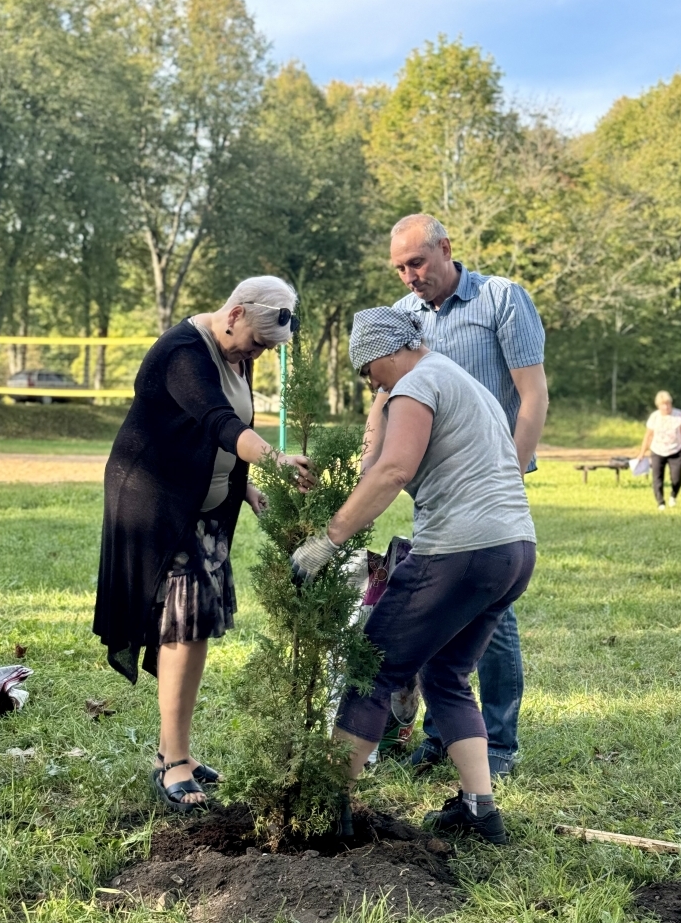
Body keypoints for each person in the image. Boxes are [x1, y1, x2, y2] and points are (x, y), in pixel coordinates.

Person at [290, 308, 537, 844]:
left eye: (367, 372)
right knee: (447, 675)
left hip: (459, 552)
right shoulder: (458, 378)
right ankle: (480, 810)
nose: (370, 385)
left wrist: (324, 544)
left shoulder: (416, 382)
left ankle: (330, 813)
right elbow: (380, 466)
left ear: (381, 353)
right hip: (515, 550)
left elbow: (393, 471)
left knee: (372, 667)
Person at [93, 277, 313, 812]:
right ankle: (171, 765)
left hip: (207, 506)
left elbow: (218, 433)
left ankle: (177, 752)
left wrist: (246, 485)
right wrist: (276, 461)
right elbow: (217, 420)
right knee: (183, 628)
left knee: (196, 629)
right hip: (157, 505)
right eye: (257, 343)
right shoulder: (182, 352)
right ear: (235, 313)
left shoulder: (239, 351)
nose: (257, 353)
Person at [363, 213, 548, 780]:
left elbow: (533, 395)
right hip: (433, 485)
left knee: (492, 617)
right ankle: (441, 738)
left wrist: (508, 479)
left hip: (491, 486)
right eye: (399, 268)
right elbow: (385, 397)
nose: (408, 277)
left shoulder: (500, 300)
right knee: (439, 608)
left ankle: (498, 745)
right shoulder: (402, 318)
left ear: (446, 249)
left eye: (416, 263)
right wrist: (365, 468)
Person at [635, 390, 681, 511]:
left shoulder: (678, 415)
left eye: (668, 404)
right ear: (658, 405)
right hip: (657, 450)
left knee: (676, 478)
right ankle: (660, 502)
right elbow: (648, 436)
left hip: (676, 450)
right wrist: (642, 453)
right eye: (663, 404)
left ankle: (673, 495)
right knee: (657, 477)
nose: (666, 407)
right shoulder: (654, 417)